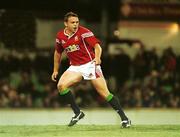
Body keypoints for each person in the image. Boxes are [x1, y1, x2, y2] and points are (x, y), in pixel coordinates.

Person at [51, 11, 131, 128]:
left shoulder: (84, 32)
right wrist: (55, 70)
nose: (75, 25)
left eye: (77, 22)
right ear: (65, 24)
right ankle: (78, 113)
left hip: (90, 64)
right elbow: (57, 52)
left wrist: (97, 58)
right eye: (72, 22)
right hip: (75, 67)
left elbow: (97, 47)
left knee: (104, 93)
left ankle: (125, 119)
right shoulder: (60, 36)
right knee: (61, 86)